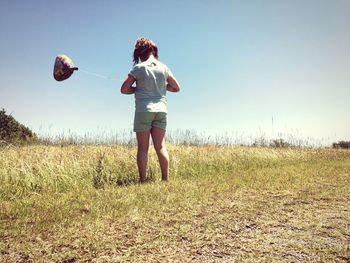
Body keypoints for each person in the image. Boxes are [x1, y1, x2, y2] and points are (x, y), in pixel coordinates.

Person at [120, 37, 180, 183]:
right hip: (161, 110)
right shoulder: (164, 67)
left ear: (140, 53)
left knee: (142, 148)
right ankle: (165, 179)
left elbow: (124, 89)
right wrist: (160, 86)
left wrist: (138, 89)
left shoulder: (138, 68)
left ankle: (142, 180)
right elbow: (176, 88)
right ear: (154, 51)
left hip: (144, 110)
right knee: (160, 146)